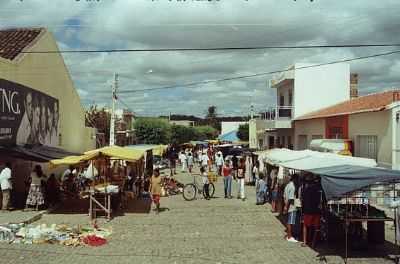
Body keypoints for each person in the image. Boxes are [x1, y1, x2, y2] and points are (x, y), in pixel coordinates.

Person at [301, 176, 322, 248]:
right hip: (316, 211)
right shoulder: (318, 190)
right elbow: (320, 201)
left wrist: (303, 210)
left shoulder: (305, 190)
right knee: (315, 227)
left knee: (305, 226)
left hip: (307, 210)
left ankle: (304, 242)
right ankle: (313, 243)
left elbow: (303, 201)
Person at [284, 175, 297, 242]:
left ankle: (289, 235)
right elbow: (290, 198)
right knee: (290, 222)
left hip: (288, 205)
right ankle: (290, 236)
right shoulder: (292, 187)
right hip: (291, 207)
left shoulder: (288, 185)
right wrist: (286, 206)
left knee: (288, 221)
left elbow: (285, 196)